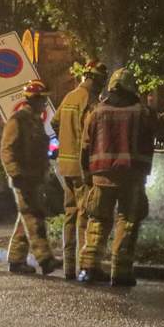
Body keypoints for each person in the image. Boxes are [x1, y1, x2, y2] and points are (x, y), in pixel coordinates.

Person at [79, 67, 155, 287]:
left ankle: (89, 268)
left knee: (98, 220)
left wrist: (87, 174)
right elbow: (155, 132)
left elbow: (85, 146)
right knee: (128, 221)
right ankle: (120, 272)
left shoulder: (96, 111)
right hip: (132, 175)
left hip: (101, 175)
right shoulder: (142, 112)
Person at [53, 60, 107, 279]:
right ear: (95, 79)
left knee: (69, 215)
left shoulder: (69, 96)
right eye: (102, 81)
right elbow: (92, 133)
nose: (103, 85)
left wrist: (65, 141)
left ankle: (69, 268)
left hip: (65, 167)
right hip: (82, 168)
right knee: (85, 216)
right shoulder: (90, 100)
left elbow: (55, 123)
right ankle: (86, 267)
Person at [0, 80, 58, 275]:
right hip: (23, 178)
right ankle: (45, 259)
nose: (45, 103)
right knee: (34, 218)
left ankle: (16, 260)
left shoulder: (34, 120)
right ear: (34, 100)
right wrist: (15, 173)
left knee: (25, 217)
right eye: (43, 99)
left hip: (34, 177)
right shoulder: (18, 120)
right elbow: (7, 149)